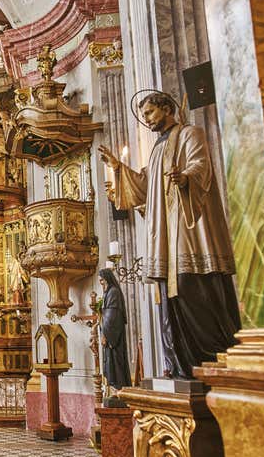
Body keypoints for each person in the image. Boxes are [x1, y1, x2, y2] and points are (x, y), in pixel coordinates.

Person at [99, 92, 241, 379]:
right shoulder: (156, 149)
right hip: (164, 237)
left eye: (150, 113)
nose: (147, 120)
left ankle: (208, 359)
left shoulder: (190, 133)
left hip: (189, 232)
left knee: (192, 288)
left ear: (167, 108)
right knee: (168, 299)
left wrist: (186, 177)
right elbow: (143, 187)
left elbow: (201, 166)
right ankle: (180, 364)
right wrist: (118, 169)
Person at [98, 269, 132, 392]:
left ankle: (119, 389)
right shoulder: (109, 292)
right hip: (109, 333)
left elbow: (112, 316)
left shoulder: (113, 292)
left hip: (113, 336)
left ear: (107, 278)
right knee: (110, 363)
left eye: (102, 280)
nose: (101, 282)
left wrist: (105, 334)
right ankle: (114, 389)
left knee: (115, 362)